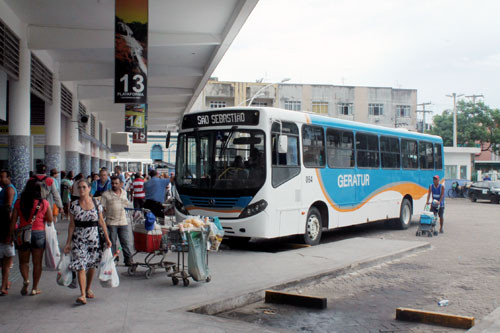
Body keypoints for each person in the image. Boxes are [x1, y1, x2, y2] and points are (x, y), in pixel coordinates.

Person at [63, 179, 112, 305]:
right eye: (79, 188)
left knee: (91, 265)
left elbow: (101, 222)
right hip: (79, 239)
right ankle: (82, 295)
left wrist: (107, 238)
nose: (81, 190)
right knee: (80, 265)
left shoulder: (96, 203)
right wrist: (68, 242)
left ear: (89, 188)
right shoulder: (73, 205)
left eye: (84, 187)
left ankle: (88, 288)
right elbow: (71, 225)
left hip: (94, 239)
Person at [11, 178, 53, 296]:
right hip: (39, 233)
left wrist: (10, 236)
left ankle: (26, 280)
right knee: (37, 262)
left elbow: (13, 220)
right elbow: (50, 219)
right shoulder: (44, 203)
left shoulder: (19, 202)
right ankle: (35, 288)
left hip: (23, 233)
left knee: (23, 262)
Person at [100, 176, 134, 266]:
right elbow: (102, 209)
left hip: (123, 222)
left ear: (121, 184)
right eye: (112, 183)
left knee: (125, 242)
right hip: (111, 222)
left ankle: (128, 259)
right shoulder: (106, 194)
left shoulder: (124, 193)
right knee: (112, 242)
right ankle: (113, 259)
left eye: (116, 183)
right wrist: (101, 222)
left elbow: (127, 204)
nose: (114, 185)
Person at [0, 170, 17, 295]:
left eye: (2, 177)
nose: (0, 179)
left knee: (5, 263)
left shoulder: (9, 190)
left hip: (6, 229)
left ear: (9, 178)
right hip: (5, 230)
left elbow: (8, 209)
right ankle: (4, 284)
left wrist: (10, 234)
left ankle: (4, 286)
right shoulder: (5, 189)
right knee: (5, 263)